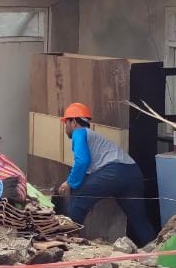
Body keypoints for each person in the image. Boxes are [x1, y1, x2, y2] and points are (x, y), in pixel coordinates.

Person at [56, 102, 157, 246]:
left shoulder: (79, 133)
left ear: (73, 122)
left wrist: (69, 182)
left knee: (78, 197)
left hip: (113, 171)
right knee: (139, 219)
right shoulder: (93, 138)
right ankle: (155, 251)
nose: (65, 127)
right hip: (132, 173)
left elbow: (82, 162)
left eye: (66, 123)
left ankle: (67, 243)